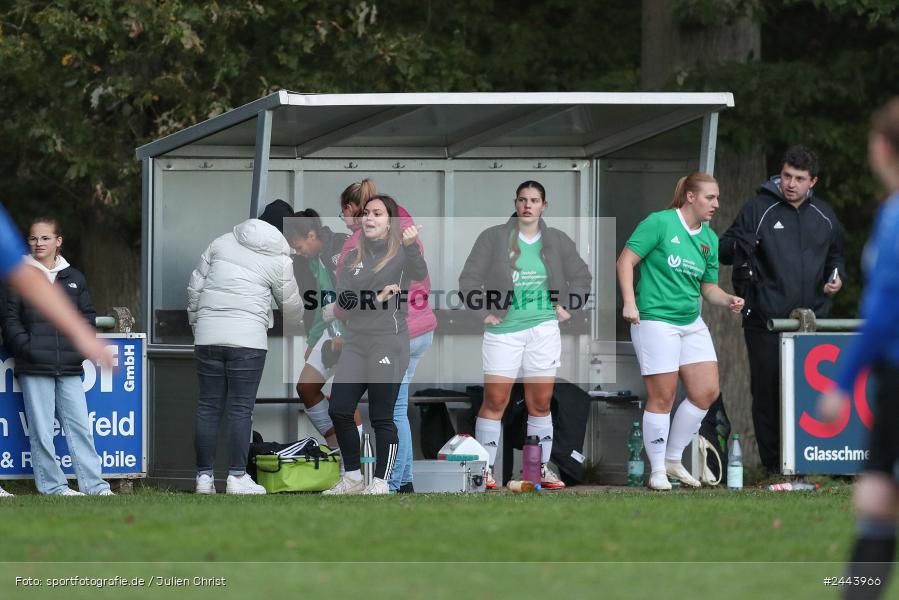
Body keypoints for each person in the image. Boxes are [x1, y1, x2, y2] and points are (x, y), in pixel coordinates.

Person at [459, 180, 592, 490]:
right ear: (515, 203)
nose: (527, 205)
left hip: (544, 329)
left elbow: (581, 277)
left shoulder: (556, 240)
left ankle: (540, 471)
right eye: (522, 200)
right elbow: (468, 281)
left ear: (544, 205)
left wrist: (570, 306)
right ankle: (484, 471)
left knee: (541, 403)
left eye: (534, 200)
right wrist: (484, 313)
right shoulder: (493, 238)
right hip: (504, 331)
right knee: (495, 400)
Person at [720, 145, 844, 473]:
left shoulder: (825, 215)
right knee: (767, 394)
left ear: (812, 181)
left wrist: (837, 277)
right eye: (786, 175)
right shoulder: (757, 208)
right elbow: (724, 249)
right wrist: (741, 245)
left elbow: (836, 256)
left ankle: (811, 462)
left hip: (812, 324)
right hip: (765, 320)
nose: (790, 183)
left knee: (811, 394)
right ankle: (774, 467)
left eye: (799, 178)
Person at [617, 172, 744, 491]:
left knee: (706, 392)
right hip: (655, 319)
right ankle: (657, 470)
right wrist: (629, 303)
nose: (716, 203)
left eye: (717, 197)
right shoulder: (660, 223)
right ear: (690, 197)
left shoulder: (709, 240)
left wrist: (727, 298)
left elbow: (708, 288)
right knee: (663, 396)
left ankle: (674, 459)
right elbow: (625, 261)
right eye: (709, 197)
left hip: (690, 321)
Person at [819, 98, 899, 599]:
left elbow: (884, 310)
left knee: (875, 497)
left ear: (881, 147)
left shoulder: (894, 217)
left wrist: (842, 383)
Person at [187, 199, 304, 495]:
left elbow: (195, 288)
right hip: (248, 342)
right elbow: (291, 309)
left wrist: (199, 326)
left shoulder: (221, 242)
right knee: (241, 409)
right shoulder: (279, 258)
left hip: (208, 337)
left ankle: (203, 478)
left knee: (207, 408)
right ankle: (237, 477)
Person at [322, 194, 428, 495]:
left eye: (377, 214)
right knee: (340, 410)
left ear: (390, 221)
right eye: (366, 213)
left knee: (382, 416)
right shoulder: (352, 254)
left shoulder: (403, 252)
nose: (369, 218)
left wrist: (411, 247)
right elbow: (342, 303)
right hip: (355, 342)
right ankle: (353, 478)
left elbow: (420, 274)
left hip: (388, 343)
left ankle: (382, 481)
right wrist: (374, 298)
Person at [3, 217, 114, 496]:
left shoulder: (74, 277)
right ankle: (53, 487)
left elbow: (86, 318)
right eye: (33, 238)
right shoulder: (19, 277)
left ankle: (95, 487)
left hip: (70, 366)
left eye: (44, 238)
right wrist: (28, 349)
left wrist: (77, 349)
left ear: (58, 241)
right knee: (41, 432)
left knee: (80, 429)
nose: (38, 244)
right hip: (34, 365)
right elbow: (10, 320)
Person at [284, 209, 359, 460]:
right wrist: (313, 340)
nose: (298, 252)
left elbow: (356, 294)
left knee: (343, 398)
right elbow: (320, 305)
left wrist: (347, 334)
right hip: (329, 330)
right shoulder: (310, 260)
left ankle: (357, 465)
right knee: (306, 388)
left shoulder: (340, 248)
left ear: (312, 235)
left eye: (298, 245)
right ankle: (339, 451)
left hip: (353, 332)